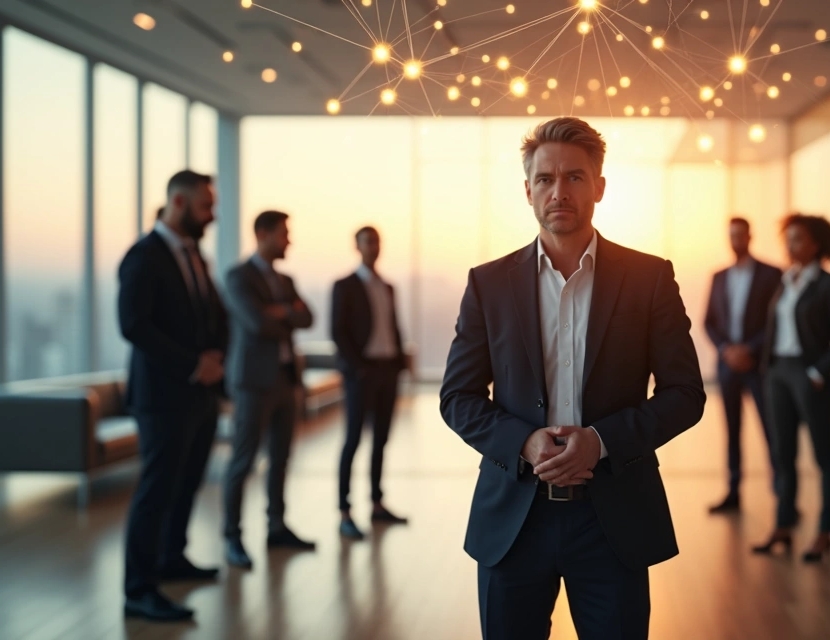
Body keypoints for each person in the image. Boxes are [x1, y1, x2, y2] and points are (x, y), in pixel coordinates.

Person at [439, 117, 706, 639]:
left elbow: (684, 394)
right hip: (514, 520)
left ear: (599, 187)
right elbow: (458, 396)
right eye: (545, 179)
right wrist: (523, 441)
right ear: (528, 190)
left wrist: (601, 442)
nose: (559, 191)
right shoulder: (489, 284)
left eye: (574, 177)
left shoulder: (649, 278)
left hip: (613, 522)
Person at [118, 170, 228, 621]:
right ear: (178, 203)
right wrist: (192, 364)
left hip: (200, 395)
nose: (212, 215)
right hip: (162, 397)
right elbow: (133, 325)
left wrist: (217, 359)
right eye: (206, 206)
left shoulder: (194, 255)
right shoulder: (144, 256)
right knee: (156, 491)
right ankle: (139, 590)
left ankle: (171, 557)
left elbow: (213, 313)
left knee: (187, 483)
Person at [752, 213, 830, 562]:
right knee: (783, 454)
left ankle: (825, 532)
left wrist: (817, 372)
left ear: (816, 245)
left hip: (808, 375)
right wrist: (768, 371)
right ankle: (783, 525)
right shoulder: (786, 280)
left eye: (797, 239)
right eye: (788, 238)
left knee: (824, 456)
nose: (790, 245)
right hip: (778, 373)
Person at [221, 210, 316, 570]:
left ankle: (276, 527)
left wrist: (279, 311)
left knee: (281, 458)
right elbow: (256, 323)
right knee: (242, 460)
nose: (289, 240)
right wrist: (286, 313)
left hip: (285, 379)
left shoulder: (285, 280)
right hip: (252, 382)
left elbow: (308, 318)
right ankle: (232, 537)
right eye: (283, 234)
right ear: (262, 234)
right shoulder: (238, 276)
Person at [332, 226, 409, 539]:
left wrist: (399, 363)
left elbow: (392, 326)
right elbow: (338, 331)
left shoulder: (387, 286)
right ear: (357, 246)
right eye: (368, 242)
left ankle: (377, 504)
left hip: (387, 370)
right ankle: (344, 512)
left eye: (377, 242)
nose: (373, 247)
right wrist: (358, 368)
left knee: (381, 440)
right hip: (362, 373)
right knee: (352, 440)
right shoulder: (345, 286)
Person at [704, 216, 782, 513]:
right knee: (732, 431)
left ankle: (782, 496)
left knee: (771, 429)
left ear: (750, 236)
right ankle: (733, 492)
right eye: (732, 235)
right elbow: (709, 321)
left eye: (740, 234)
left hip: (758, 364)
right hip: (728, 366)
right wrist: (727, 350)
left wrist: (749, 349)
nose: (736, 240)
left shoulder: (771, 274)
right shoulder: (719, 277)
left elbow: (775, 321)